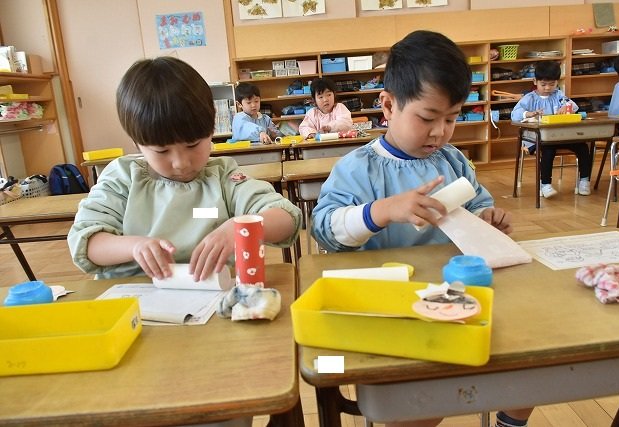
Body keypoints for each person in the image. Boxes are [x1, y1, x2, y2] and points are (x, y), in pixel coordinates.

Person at [312, 29, 530, 427]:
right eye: (428, 118)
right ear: (388, 105)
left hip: (456, 297)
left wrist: (488, 218)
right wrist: (381, 211)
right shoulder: (359, 168)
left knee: (527, 361)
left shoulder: (452, 161)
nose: (440, 131)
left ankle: (508, 419)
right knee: (425, 402)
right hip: (395, 310)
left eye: (452, 118)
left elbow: (476, 202)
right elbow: (324, 229)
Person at [68, 57, 301, 282]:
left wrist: (241, 229)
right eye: (162, 151)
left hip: (212, 292)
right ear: (137, 143)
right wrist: (134, 247)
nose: (181, 162)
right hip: (133, 294)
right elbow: (86, 240)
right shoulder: (123, 178)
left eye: (192, 145)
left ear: (211, 132)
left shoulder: (223, 176)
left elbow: (287, 217)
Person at [511, 61, 591, 199]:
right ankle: (545, 184)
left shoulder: (558, 95)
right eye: (543, 84)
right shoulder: (529, 98)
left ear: (557, 82)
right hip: (536, 139)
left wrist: (566, 107)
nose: (548, 88)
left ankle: (584, 180)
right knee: (548, 151)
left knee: (583, 147)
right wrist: (528, 114)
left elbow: (573, 105)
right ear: (535, 81)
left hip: (559, 137)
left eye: (552, 84)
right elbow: (514, 114)